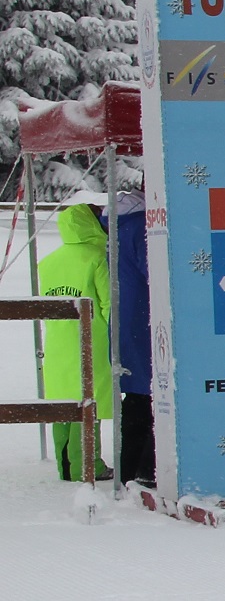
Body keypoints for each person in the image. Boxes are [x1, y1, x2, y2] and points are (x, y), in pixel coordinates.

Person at [37, 197, 113, 481]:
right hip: (92, 341)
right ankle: (87, 465)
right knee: (88, 402)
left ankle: (65, 465)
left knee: (63, 403)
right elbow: (109, 304)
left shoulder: (49, 261)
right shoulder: (97, 257)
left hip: (58, 342)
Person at [111, 188, 154, 487]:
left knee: (138, 398)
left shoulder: (117, 227)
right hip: (146, 319)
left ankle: (129, 469)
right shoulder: (141, 227)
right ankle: (145, 469)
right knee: (152, 397)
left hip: (126, 320)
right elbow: (155, 273)